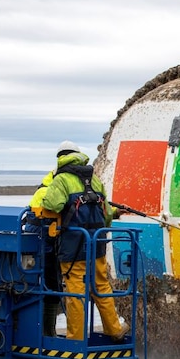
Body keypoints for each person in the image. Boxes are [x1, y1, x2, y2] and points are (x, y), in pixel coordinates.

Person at [41, 141, 129, 342]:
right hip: (96, 243)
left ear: (60, 158)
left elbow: (53, 205)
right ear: (79, 156)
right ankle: (114, 329)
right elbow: (106, 214)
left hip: (73, 246)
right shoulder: (94, 180)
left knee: (76, 292)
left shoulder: (61, 179)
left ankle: (76, 338)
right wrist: (115, 214)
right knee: (101, 285)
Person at [26, 169, 62, 336]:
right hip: (45, 245)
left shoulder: (42, 190)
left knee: (35, 284)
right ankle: (48, 332)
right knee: (52, 285)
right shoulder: (50, 193)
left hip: (34, 244)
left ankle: (39, 330)